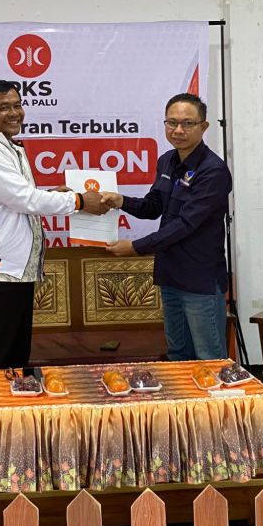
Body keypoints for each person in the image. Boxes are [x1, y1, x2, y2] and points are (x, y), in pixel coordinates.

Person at [0, 80, 107, 389]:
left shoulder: (8, 146)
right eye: (4, 107)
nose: (14, 113)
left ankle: (10, 418)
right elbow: (23, 199)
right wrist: (79, 201)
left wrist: (52, 195)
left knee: (14, 360)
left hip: (13, 272)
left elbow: (15, 200)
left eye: (17, 105)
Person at [102, 93, 232, 361]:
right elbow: (153, 206)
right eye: (172, 123)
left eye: (187, 123)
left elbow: (186, 224)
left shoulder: (213, 171)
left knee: (209, 357)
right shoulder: (167, 160)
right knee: (178, 354)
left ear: (204, 126)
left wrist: (136, 247)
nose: (178, 130)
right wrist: (121, 201)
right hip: (170, 275)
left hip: (199, 280)